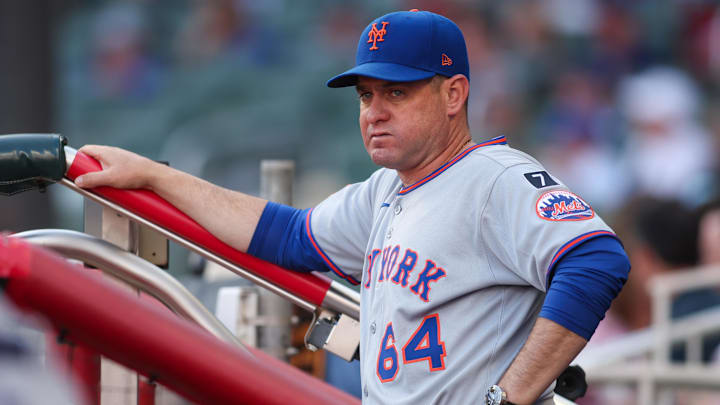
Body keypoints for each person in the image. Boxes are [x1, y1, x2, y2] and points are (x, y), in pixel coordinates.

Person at [74, 10, 630, 405]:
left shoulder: (495, 179)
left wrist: (508, 398)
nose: (374, 112)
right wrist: (155, 175)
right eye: (366, 95)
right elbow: (282, 235)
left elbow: (596, 260)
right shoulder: (385, 189)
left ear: (454, 94)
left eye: (398, 92)